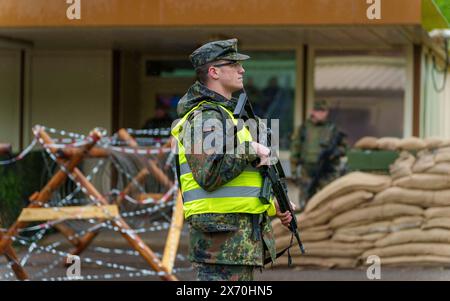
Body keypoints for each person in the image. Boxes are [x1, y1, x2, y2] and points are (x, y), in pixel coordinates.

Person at [171, 38, 293, 281]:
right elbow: (210, 174)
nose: (242, 69)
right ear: (214, 72)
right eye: (233, 64)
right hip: (221, 248)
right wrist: (251, 148)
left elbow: (238, 185)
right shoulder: (204, 117)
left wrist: (273, 204)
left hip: (236, 245)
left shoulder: (230, 116)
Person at [290, 99, 347, 210]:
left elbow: (344, 147)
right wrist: (293, 171)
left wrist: (335, 153)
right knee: (306, 202)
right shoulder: (304, 128)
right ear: (312, 112)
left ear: (327, 112)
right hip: (307, 172)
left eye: (322, 111)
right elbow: (295, 150)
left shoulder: (333, 129)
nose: (320, 113)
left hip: (327, 172)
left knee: (327, 201)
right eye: (317, 110)